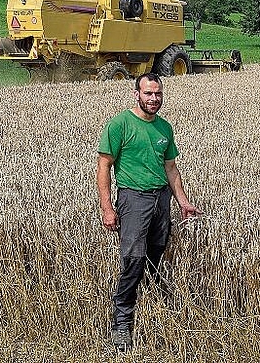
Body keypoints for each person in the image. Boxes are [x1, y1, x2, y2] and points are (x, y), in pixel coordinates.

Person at [96, 72, 202, 352]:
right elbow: (104, 166)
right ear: (136, 94)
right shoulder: (119, 124)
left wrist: (182, 201)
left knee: (156, 254)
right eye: (148, 93)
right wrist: (107, 208)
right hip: (133, 200)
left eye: (158, 94)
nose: (154, 99)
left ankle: (155, 302)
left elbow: (171, 168)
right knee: (133, 259)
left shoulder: (164, 128)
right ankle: (121, 324)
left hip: (161, 199)